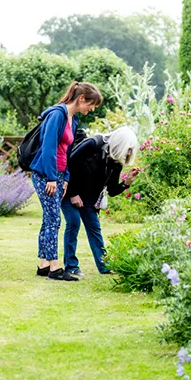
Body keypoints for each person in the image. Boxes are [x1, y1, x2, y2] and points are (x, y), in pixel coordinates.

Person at [30, 81, 103, 281]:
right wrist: (52, 178)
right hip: (45, 174)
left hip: (59, 175)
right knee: (54, 219)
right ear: (81, 99)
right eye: (92, 104)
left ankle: (43, 263)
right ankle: (54, 268)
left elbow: (67, 152)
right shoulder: (57, 115)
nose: (92, 109)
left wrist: (65, 178)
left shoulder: (73, 120)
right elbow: (48, 148)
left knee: (49, 219)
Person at [61, 127, 140, 277]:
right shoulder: (93, 144)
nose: (129, 153)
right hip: (69, 189)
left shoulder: (116, 161)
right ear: (120, 144)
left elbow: (112, 190)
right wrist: (73, 193)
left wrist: (126, 182)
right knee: (73, 222)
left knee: (94, 228)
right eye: (128, 149)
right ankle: (71, 266)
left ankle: (105, 266)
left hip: (89, 197)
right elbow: (69, 164)